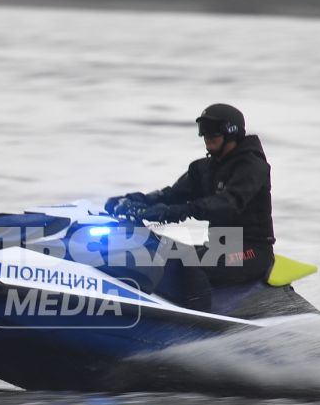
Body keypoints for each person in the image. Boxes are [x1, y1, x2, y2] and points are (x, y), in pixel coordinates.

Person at [105, 103, 275, 292]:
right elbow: (171, 195)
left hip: (252, 251)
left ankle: (198, 319)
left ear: (231, 131)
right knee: (162, 255)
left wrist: (182, 211)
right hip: (220, 246)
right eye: (203, 130)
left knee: (188, 264)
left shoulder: (252, 166)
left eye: (212, 130)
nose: (206, 136)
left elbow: (228, 203)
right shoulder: (204, 168)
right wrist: (134, 200)